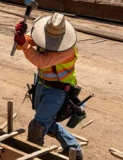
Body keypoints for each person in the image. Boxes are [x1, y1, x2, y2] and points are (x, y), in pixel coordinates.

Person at [14, 13, 83, 160]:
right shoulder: (45, 36)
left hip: (57, 91)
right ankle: (74, 148)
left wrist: (24, 44)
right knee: (48, 122)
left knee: (37, 126)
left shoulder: (68, 49)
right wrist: (21, 35)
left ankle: (33, 155)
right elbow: (25, 43)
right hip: (42, 84)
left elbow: (42, 61)